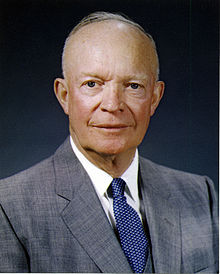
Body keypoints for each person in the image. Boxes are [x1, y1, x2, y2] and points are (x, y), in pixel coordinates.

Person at [0, 11, 218, 273]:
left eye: (133, 86)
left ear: (155, 97)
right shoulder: (10, 208)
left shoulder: (199, 194)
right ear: (64, 95)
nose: (113, 105)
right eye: (93, 84)